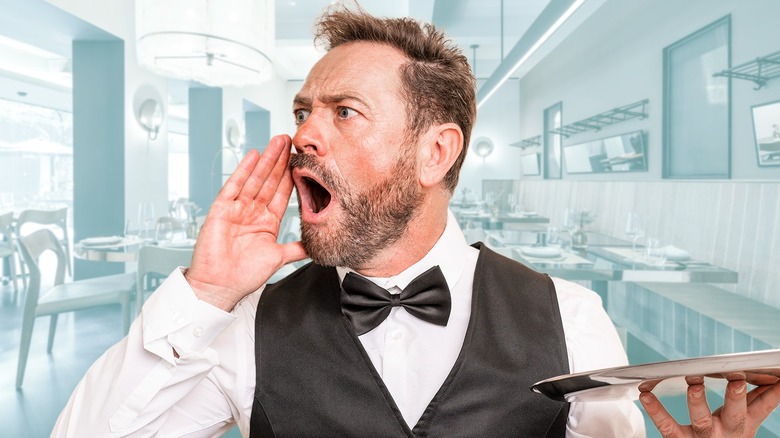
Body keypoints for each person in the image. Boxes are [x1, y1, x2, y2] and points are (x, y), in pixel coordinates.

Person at [53, 4, 780, 437]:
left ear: (436, 152)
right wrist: (204, 295)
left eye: (344, 112)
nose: (305, 134)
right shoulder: (246, 323)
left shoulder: (574, 319)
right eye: (303, 111)